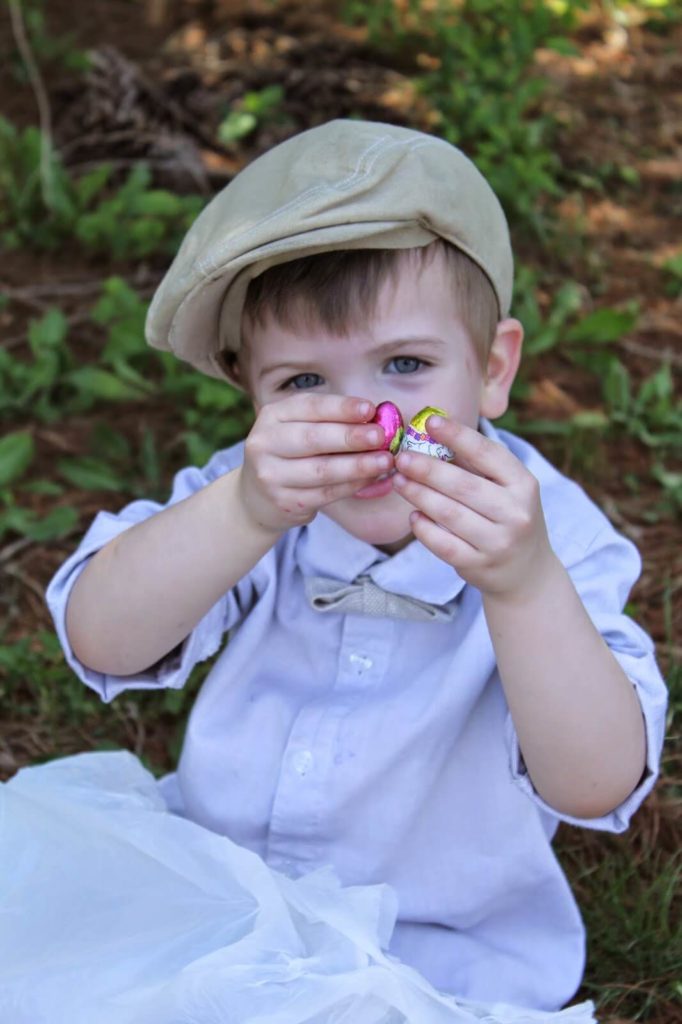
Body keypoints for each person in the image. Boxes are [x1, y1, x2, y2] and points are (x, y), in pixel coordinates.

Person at [36, 120, 666, 1016]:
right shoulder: (249, 497)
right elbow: (104, 637)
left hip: (436, 957)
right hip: (228, 911)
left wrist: (524, 587)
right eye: (302, 383)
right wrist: (244, 512)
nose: (367, 415)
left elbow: (596, 781)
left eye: (405, 365)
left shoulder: (546, 537)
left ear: (491, 371)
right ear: (251, 393)